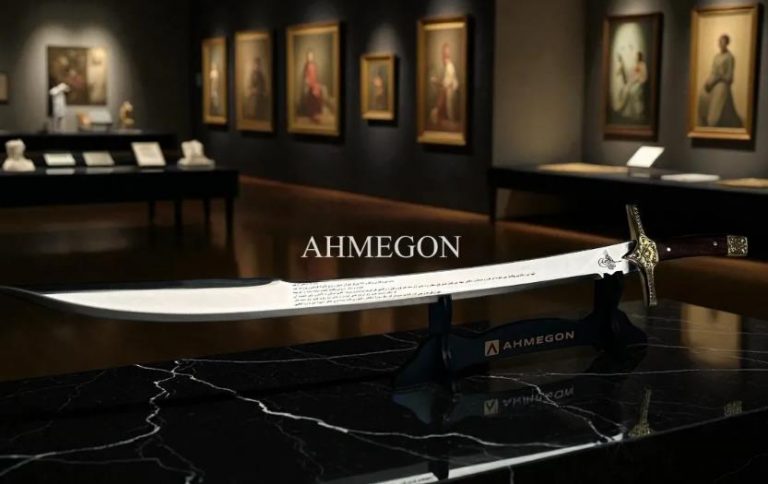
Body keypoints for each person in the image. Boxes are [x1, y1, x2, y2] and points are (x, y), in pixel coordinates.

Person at [698, 34, 742, 127]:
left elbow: (729, 76)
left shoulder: (730, 57)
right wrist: (709, 82)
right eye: (720, 42)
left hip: (723, 83)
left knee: (719, 91)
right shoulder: (716, 57)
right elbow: (713, 72)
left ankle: (713, 121)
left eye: (723, 42)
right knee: (703, 93)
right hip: (714, 80)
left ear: (727, 43)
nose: (721, 44)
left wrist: (719, 79)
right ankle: (703, 118)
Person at [430, 42, 460, 128]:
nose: (444, 57)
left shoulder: (450, 67)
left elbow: (446, 84)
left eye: (446, 55)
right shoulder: (445, 67)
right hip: (446, 92)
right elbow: (444, 84)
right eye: (443, 54)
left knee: (443, 94)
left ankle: (437, 114)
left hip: (450, 93)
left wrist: (436, 82)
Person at [612, 51, 648, 121]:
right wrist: (631, 80)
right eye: (636, 57)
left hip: (639, 84)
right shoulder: (636, 65)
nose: (636, 58)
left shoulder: (643, 65)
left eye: (637, 56)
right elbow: (632, 75)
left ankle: (635, 113)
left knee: (632, 92)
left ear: (640, 57)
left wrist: (638, 79)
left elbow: (644, 77)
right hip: (633, 83)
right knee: (625, 90)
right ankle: (624, 110)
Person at [300, 50, 324, 121]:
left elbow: (316, 74)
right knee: (312, 94)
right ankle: (312, 114)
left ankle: (317, 113)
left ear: (313, 57)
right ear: (307, 57)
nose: (310, 58)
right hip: (309, 83)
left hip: (314, 82)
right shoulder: (306, 66)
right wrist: (307, 81)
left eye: (311, 56)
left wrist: (317, 83)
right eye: (309, 56)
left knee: (318, 92)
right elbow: (305, 76)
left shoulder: (314, 65)